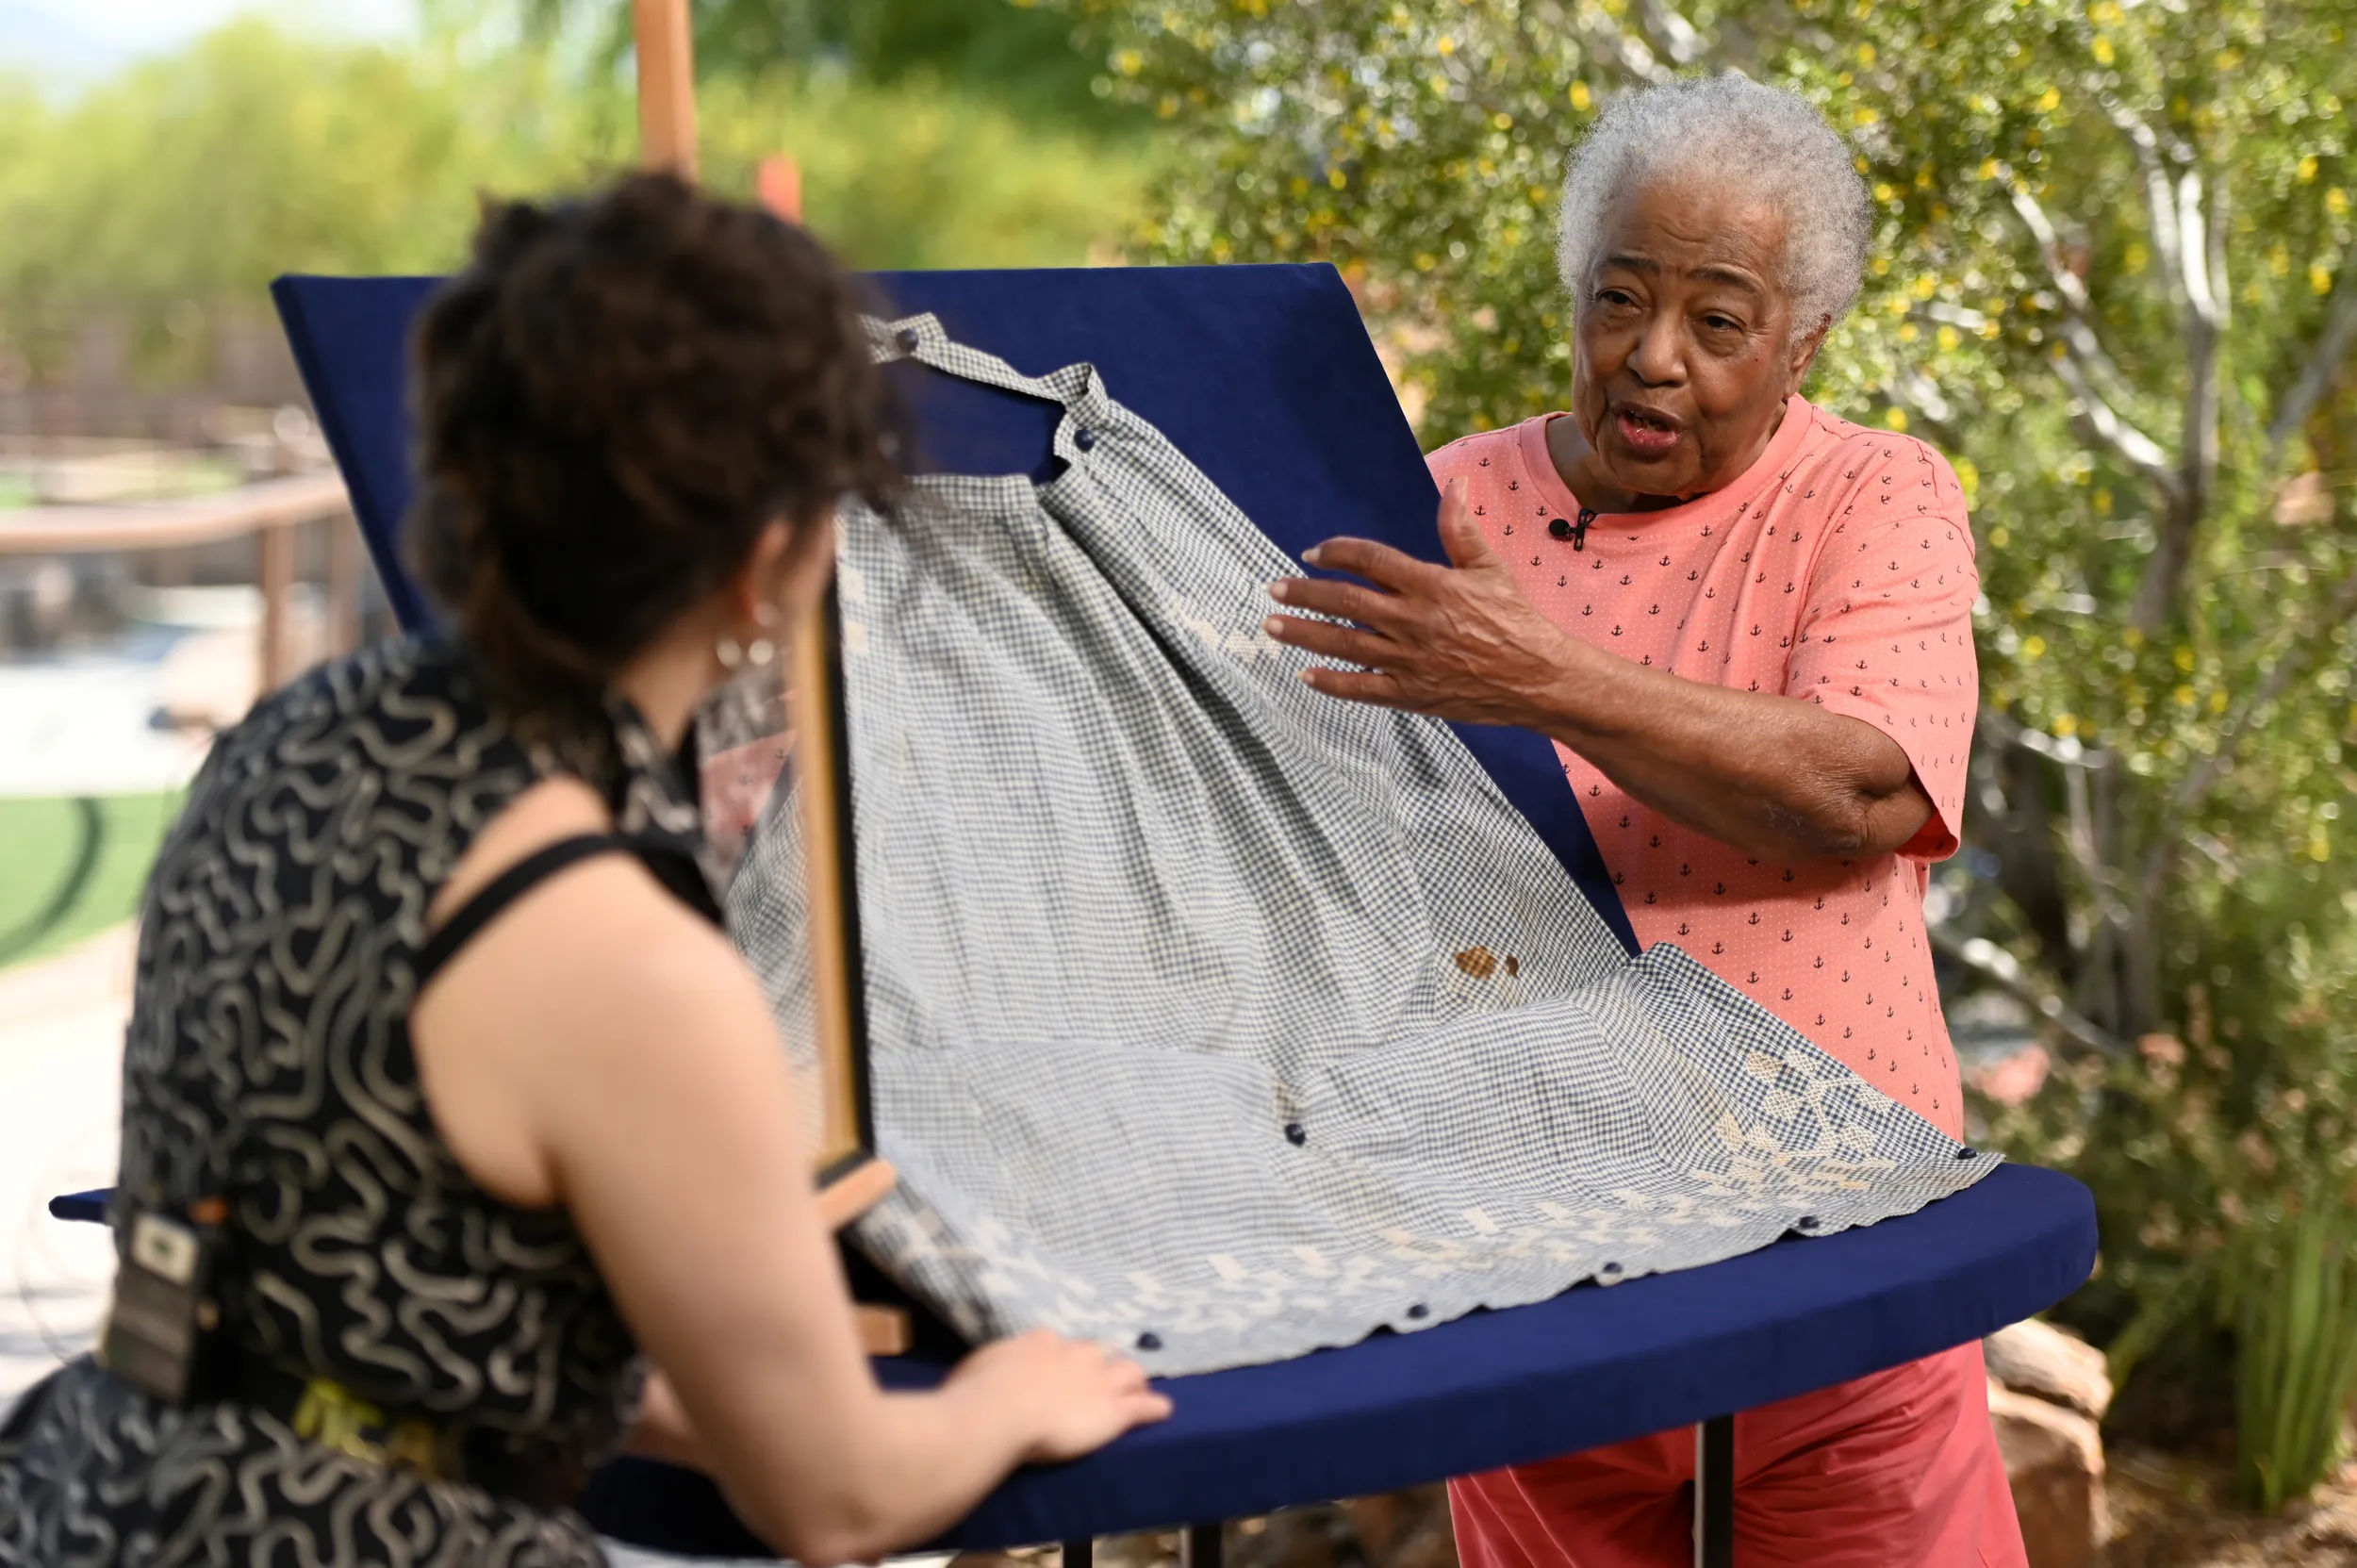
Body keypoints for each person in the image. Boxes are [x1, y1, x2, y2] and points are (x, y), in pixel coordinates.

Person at [0, 174, 1168, 1568]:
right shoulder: (621, 951)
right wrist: (998, 1399)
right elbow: (838, 1499)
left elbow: (361, 1274)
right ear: (772, 560)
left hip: (95, 1488)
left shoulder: (285, 743)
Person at [1263, 75, 2023, 1568]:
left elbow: (1863, 791)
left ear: (1804, 343)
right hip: (1548, 1286)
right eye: (1620, 298)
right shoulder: (1440, 514)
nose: (1652, 357)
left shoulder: (1874, 499)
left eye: (1719, 322)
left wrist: (1546, 677)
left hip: (1837, 1275)